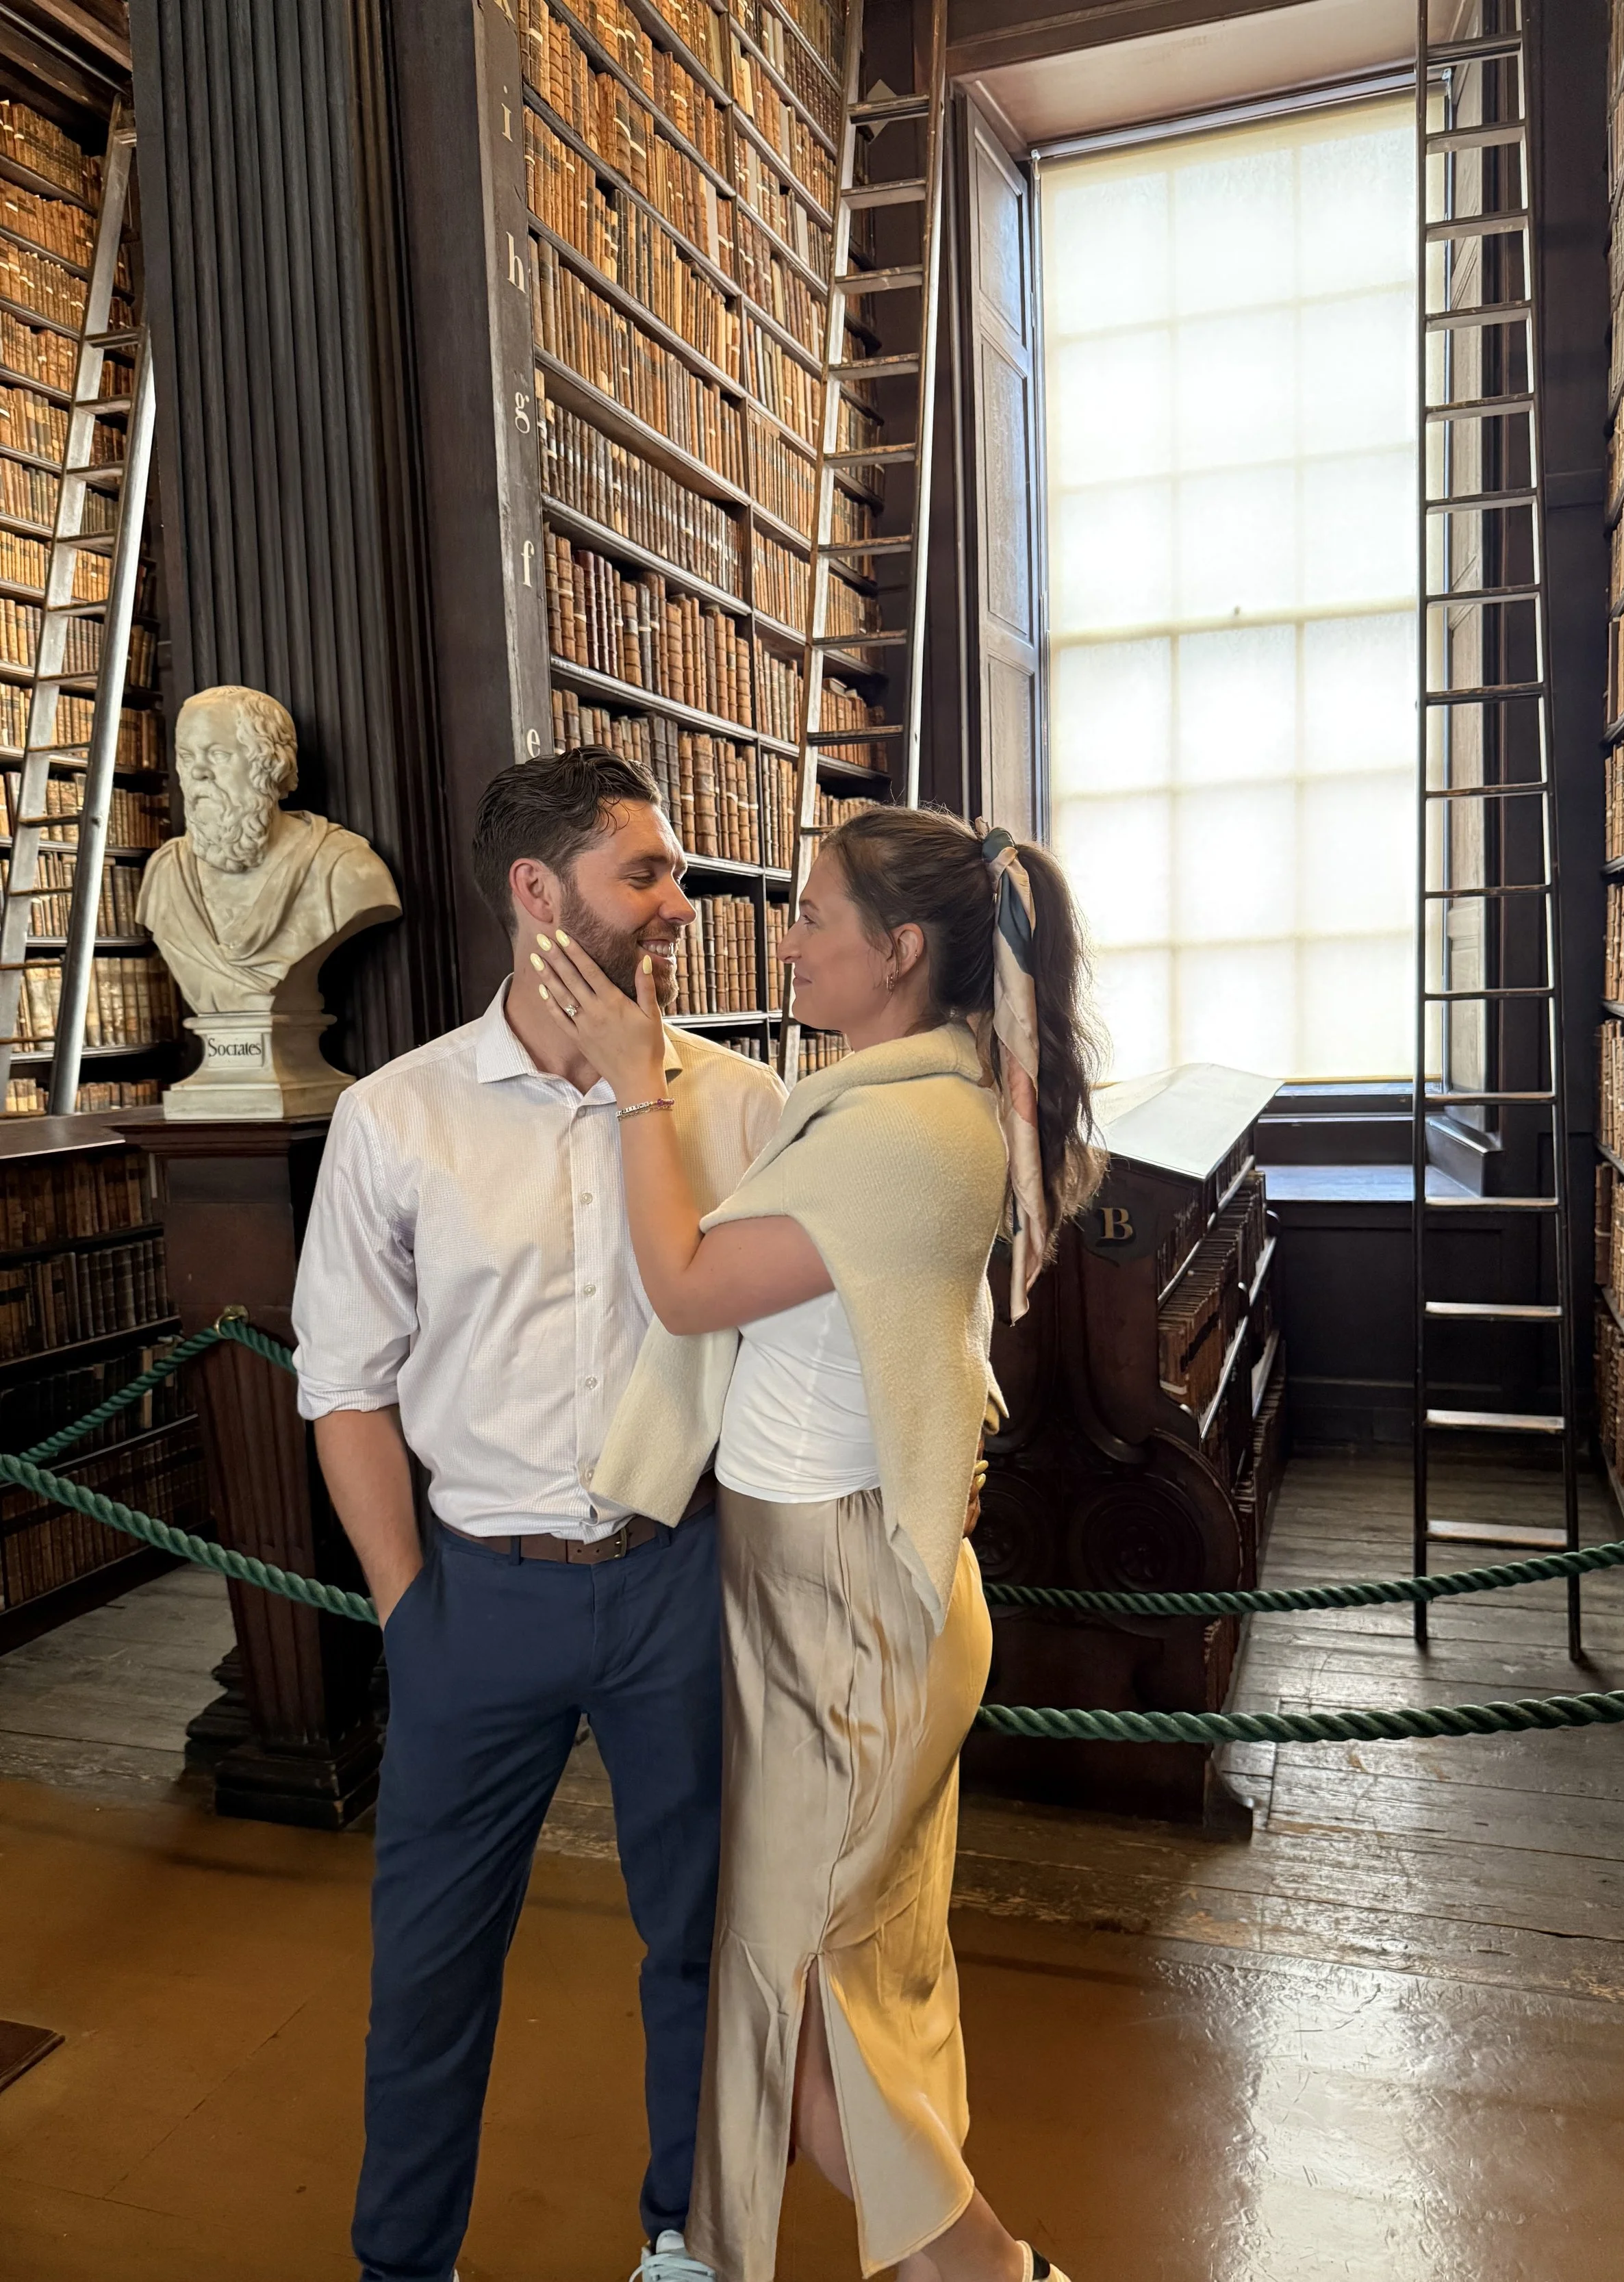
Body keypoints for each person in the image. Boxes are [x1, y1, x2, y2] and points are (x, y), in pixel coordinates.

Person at [529, 803, 1103, 2282]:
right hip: (820, 1588)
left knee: (800, 2001)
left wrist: (635, 1083)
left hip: (841, 1605)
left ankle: (985, 2270)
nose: (781, 938)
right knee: (840, 1978)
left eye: (808, 916)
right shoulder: (894, 1092)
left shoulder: (908, 1127)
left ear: (897, 950)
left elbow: (684, 1282)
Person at [291, 748, 785, 2282]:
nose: (678, 906)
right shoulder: (397, 1116)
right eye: (645, 874)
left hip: (677, 1582)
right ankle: (403, 2267)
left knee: (704, 1948)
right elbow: (344, 1381)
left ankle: (683, 2245)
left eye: (674, 874)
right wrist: (404, 1609)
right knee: (429, 1966)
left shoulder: (748, 1104)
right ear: (535, 891)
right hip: (473, 1594)